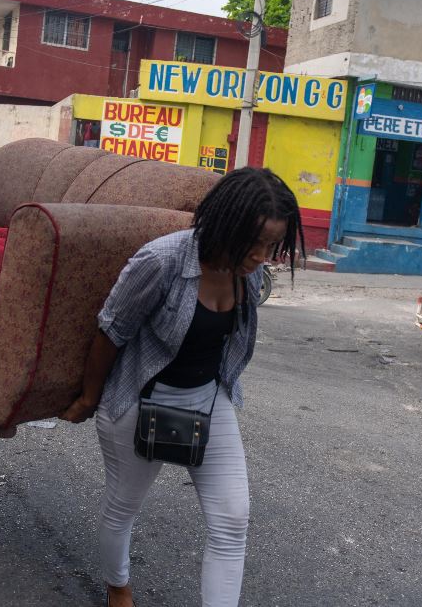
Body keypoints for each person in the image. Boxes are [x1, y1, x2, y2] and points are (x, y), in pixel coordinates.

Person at [61, 167, 304, 607]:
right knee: (122, 508)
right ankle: (118, 587)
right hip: (139, 398)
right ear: (226, 224)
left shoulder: (246, 274)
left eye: (273, 245)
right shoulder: (162, 260)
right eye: (256, 242)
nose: (262, 256)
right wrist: (88, 398)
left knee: (233, 520)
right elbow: (111, 331)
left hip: (208, 398)